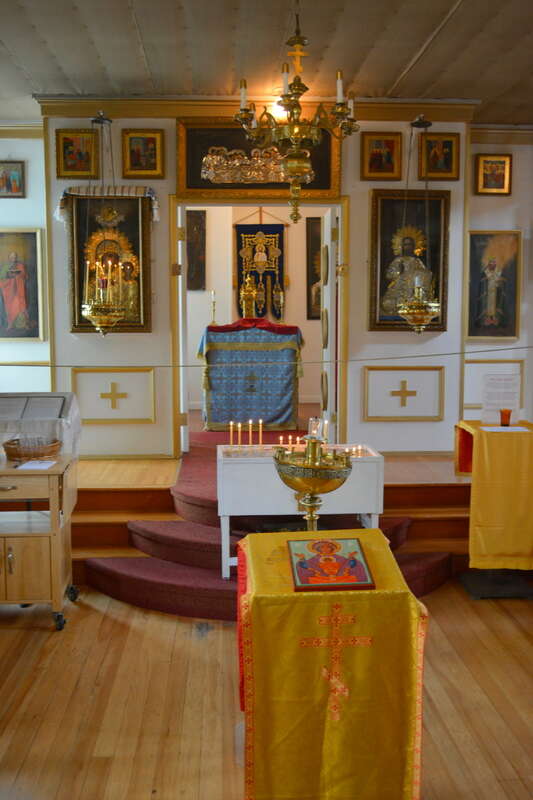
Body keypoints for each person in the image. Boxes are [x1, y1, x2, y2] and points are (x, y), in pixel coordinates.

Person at [381, 234, 433, 316]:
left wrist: (417, 274)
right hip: (399, 288)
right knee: (387, 303)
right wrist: (398, 271)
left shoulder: (417, 261)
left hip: (412, 289)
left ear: (413, 246)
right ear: (402, 246)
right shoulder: (398, 260)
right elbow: (389, 275)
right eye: (405, 244)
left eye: (409, 244)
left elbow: (426, 274)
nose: (407, 247)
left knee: (418, 303)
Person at [294, 539, 368, 584]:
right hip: (322, 578)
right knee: (313, 580)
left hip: (340, 577)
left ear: (332, 548)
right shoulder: (314, 558)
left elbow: (348, 564)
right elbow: (307, 565)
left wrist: (351, 558)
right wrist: (302, 559)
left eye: (328, 547)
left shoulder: (338, 557)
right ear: (318, 549)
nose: (325, 549)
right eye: (322, 547)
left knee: (351, 578)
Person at [0, 251, 29, 331]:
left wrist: (19, 275)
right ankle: (10, 324)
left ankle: (24, 324)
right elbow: (1, 278)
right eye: (12, 257)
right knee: (11, 308)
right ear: (9, 258)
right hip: (10, 292)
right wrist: (8, 275)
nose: (14, 259)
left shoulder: (21, 265)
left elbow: (26, 276)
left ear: (17, 258)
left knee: (20, 307)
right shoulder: (5, 267)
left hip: (19, 291)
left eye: (15, 257)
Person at [476, 258, 506, 327]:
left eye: (493, 264)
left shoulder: (498, 272)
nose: (492, 266)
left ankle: (495, 319)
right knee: (488, 305)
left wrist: (500, 282)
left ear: (495, 265)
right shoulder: (485, 272)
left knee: (495, 305)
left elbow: (502, 281)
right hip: (487, 294)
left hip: (496, 293)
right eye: (491, 264)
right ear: (489, 265)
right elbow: (482, 281)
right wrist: (485, 280)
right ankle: (487, 319)